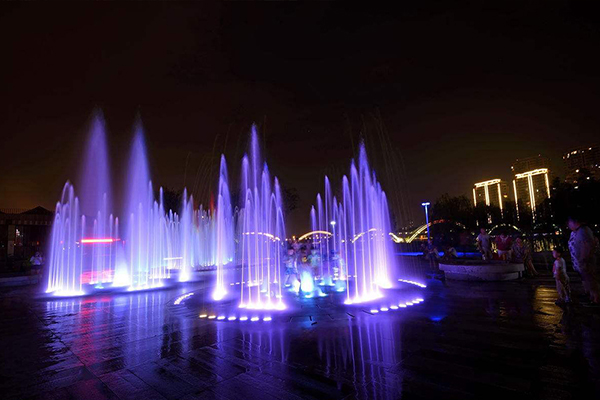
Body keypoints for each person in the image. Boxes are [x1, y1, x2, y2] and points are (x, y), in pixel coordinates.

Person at [567, 212, 599, 304]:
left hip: (586, 262)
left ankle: (595, 298)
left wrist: (583, 259)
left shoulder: (584, 231)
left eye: (569, 222)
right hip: (580, 263)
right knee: (586, 280)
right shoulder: (575, 232)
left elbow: (588, 246)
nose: (568, 225)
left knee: (591, 280)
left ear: (574, 222)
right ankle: (590, 295)